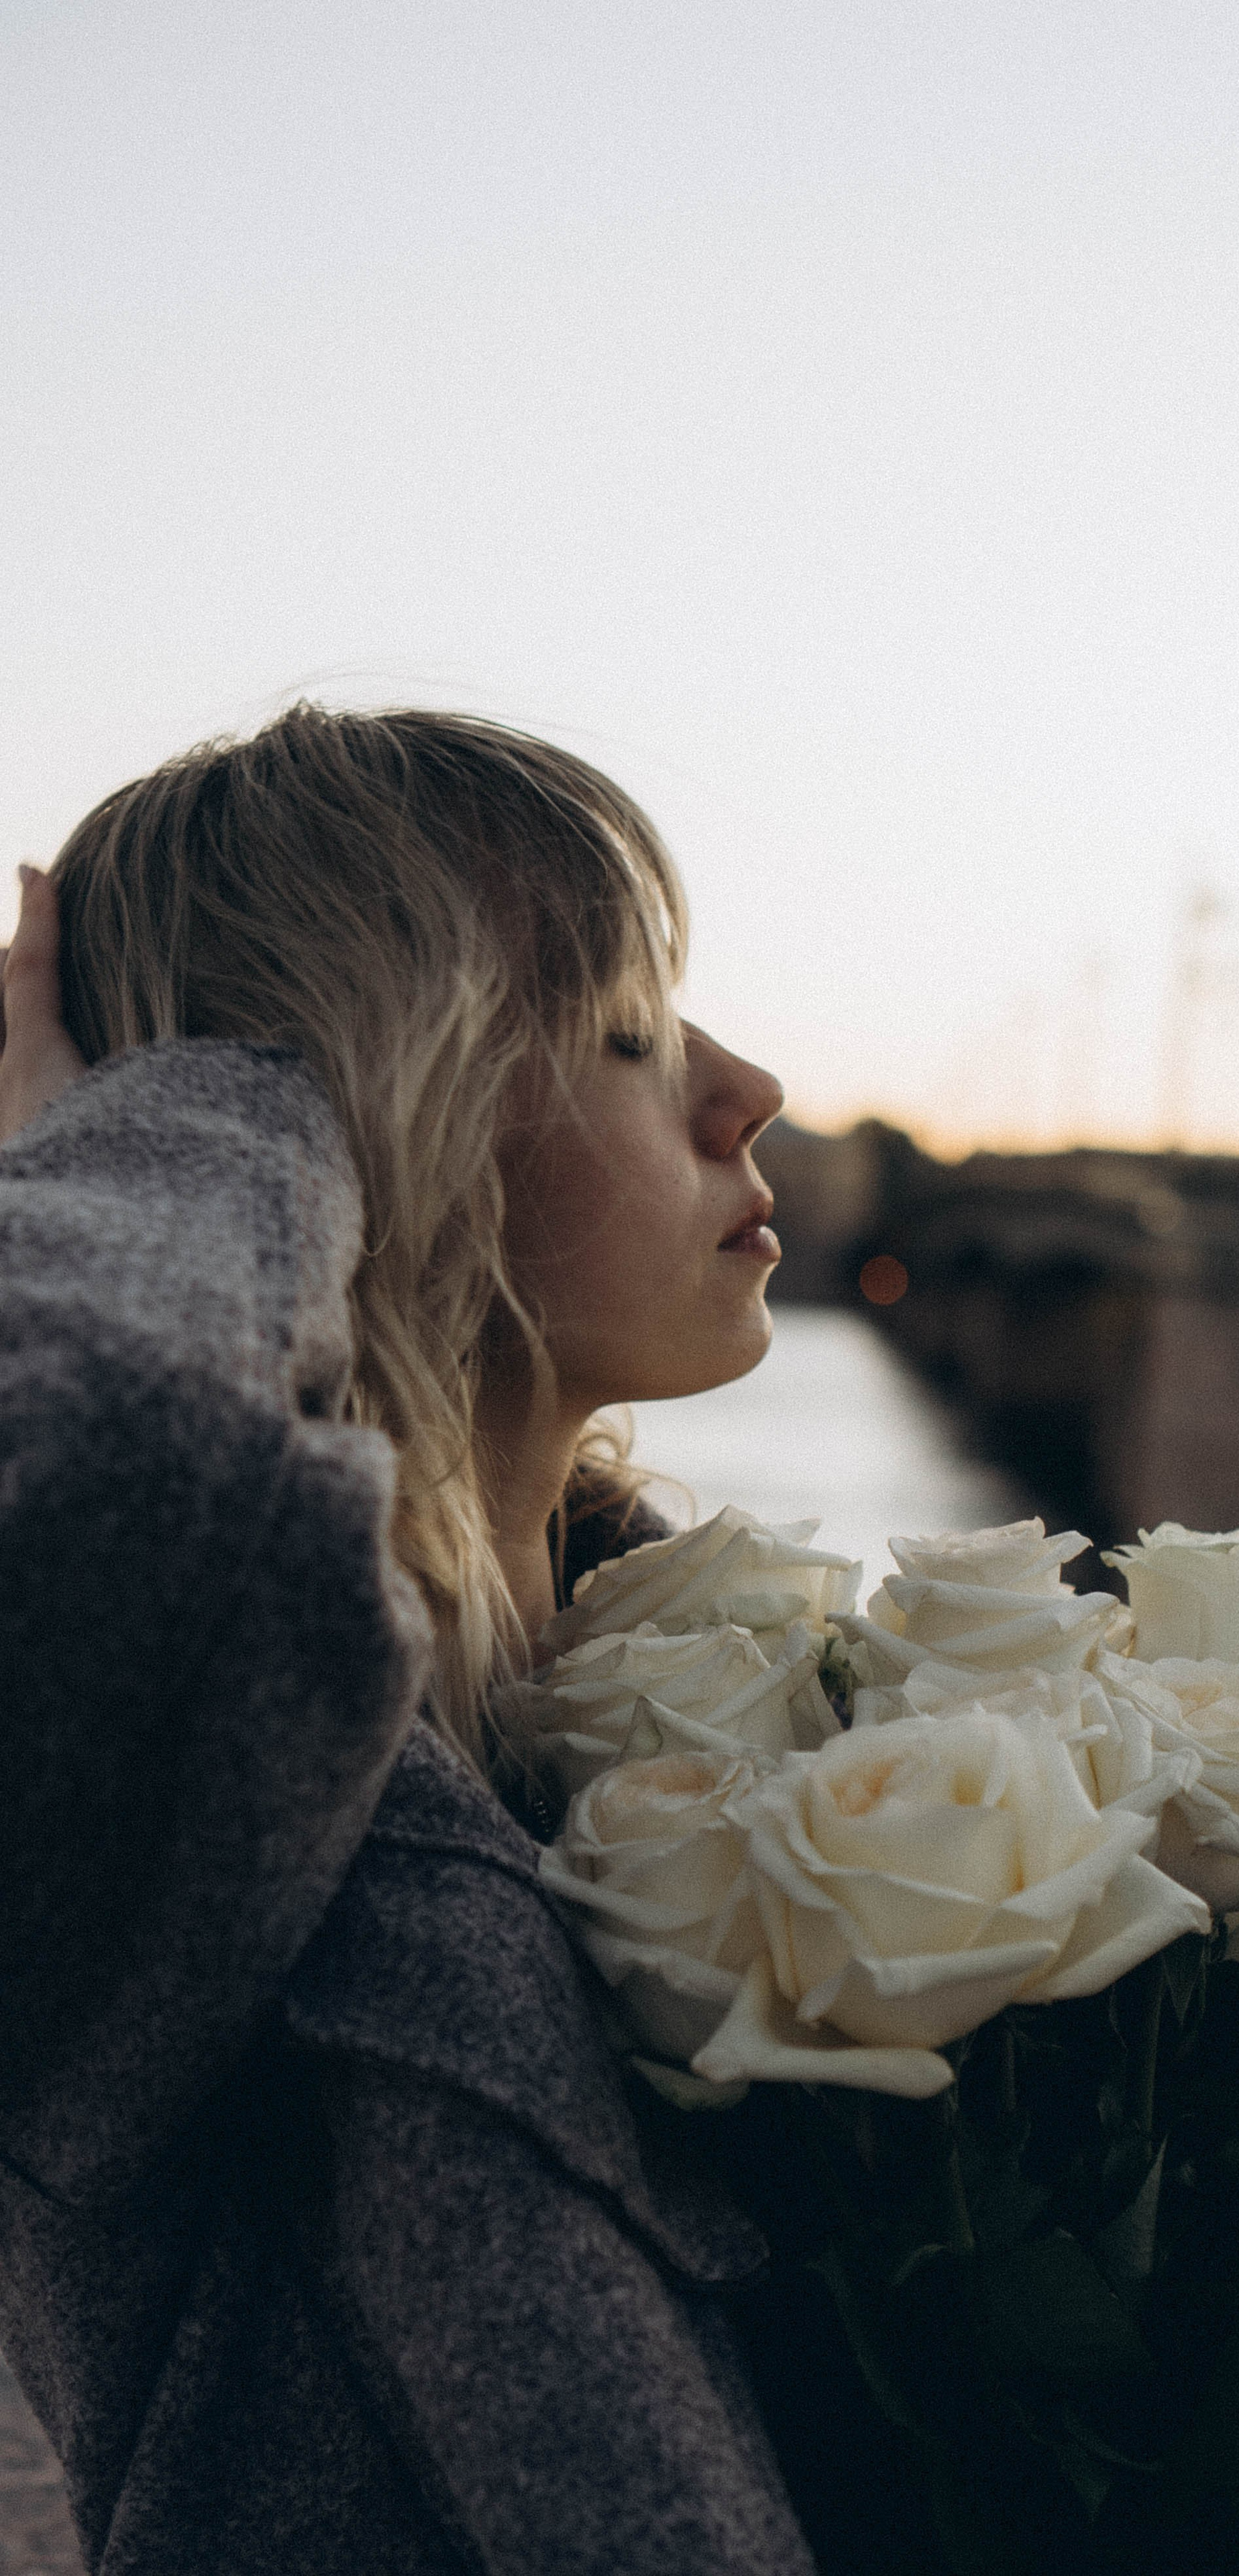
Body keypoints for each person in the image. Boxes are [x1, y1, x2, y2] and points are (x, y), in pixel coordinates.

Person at [0, 705, 816, 2575]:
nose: (745, 1083)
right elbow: (102, 1473)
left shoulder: (700, 1676)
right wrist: (157, 1138)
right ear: (381, 1123)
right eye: (626, 1030)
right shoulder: (216, 1791)